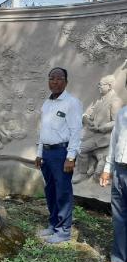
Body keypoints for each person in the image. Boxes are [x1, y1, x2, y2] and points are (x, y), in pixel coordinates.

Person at [35, 67, 83, 243]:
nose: (55, 82)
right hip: (47, 154)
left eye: (59, 78)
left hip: (62, 153)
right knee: (51, 190)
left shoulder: (72, 103)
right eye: (51, 78)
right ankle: (53, 224)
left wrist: (71, 157)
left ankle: (63, 231)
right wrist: (39, 153)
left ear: (66, 82)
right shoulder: (47, 104)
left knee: (63, 191)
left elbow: (76, 131)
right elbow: (43, 131)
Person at [99, 78, 127, 262]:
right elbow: (114, 141)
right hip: (119, 170)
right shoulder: (123, 113)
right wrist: (108, 169)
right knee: (119, 217)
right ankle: (118, 259)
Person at [74, 75, 123, 182]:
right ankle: (87, 170)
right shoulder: (100, 99)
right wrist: (87, 120)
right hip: (92, 134)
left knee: (81, 149)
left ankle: (83, 173)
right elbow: (87, 114)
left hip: (104, 137)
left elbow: (117, 122)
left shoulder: (115, 101)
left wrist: (102, 128)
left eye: (100, 84)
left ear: (109, 86)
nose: (98, 87)